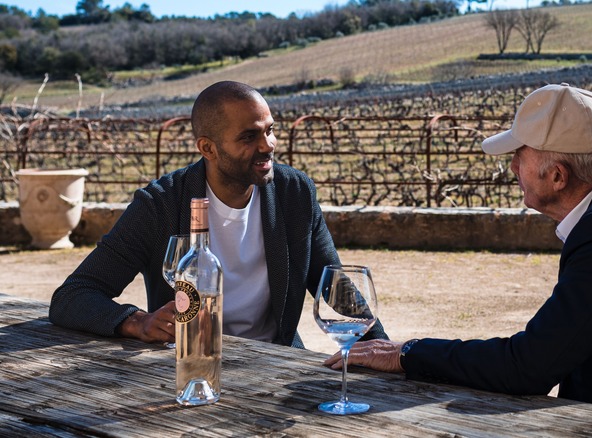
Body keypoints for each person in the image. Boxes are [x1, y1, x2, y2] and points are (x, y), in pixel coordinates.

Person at [327, 83, 592, 435]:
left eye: (520, 154)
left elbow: (528, 367)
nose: (512, 165)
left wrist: (408, 352)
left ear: (558, 175)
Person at [50, 80, 387, 348]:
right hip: (187, 363)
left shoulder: (294, 193)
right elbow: (73, 295)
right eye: (249, 136)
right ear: (207, 148)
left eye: (269, 130)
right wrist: (136, 321)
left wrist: (385, 350)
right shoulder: (160, 205)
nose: (268, 144)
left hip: (274, 360)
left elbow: (337, 288)